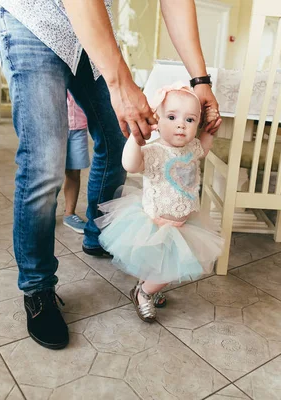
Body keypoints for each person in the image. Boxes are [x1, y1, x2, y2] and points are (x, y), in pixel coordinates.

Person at [0, 0, 222, 350]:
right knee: (45, 164)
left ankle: (98, 234)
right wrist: (120, 82)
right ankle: (38, 287)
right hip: (32, 17)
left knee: (118, 138)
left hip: (90, 33)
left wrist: (200, 81)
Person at [96, 83, 224, 322]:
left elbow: (204, 147)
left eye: (190, 120)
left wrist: (210, 128)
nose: (180, 125)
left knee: (166, 262)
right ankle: (143, 292)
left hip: (184, 224)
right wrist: (137, 139)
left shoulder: (192, 147)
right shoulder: (153, 151)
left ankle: (150, 286)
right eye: (172, 117)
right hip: (155, 222)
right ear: (157, 120)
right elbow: (130, 165)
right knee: (170, 267)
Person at [62, 91, 90, 234]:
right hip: (55, 127)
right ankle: (44, 214)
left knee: (74, 171)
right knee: (50, 174)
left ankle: (69, 214)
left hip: (79, 127)